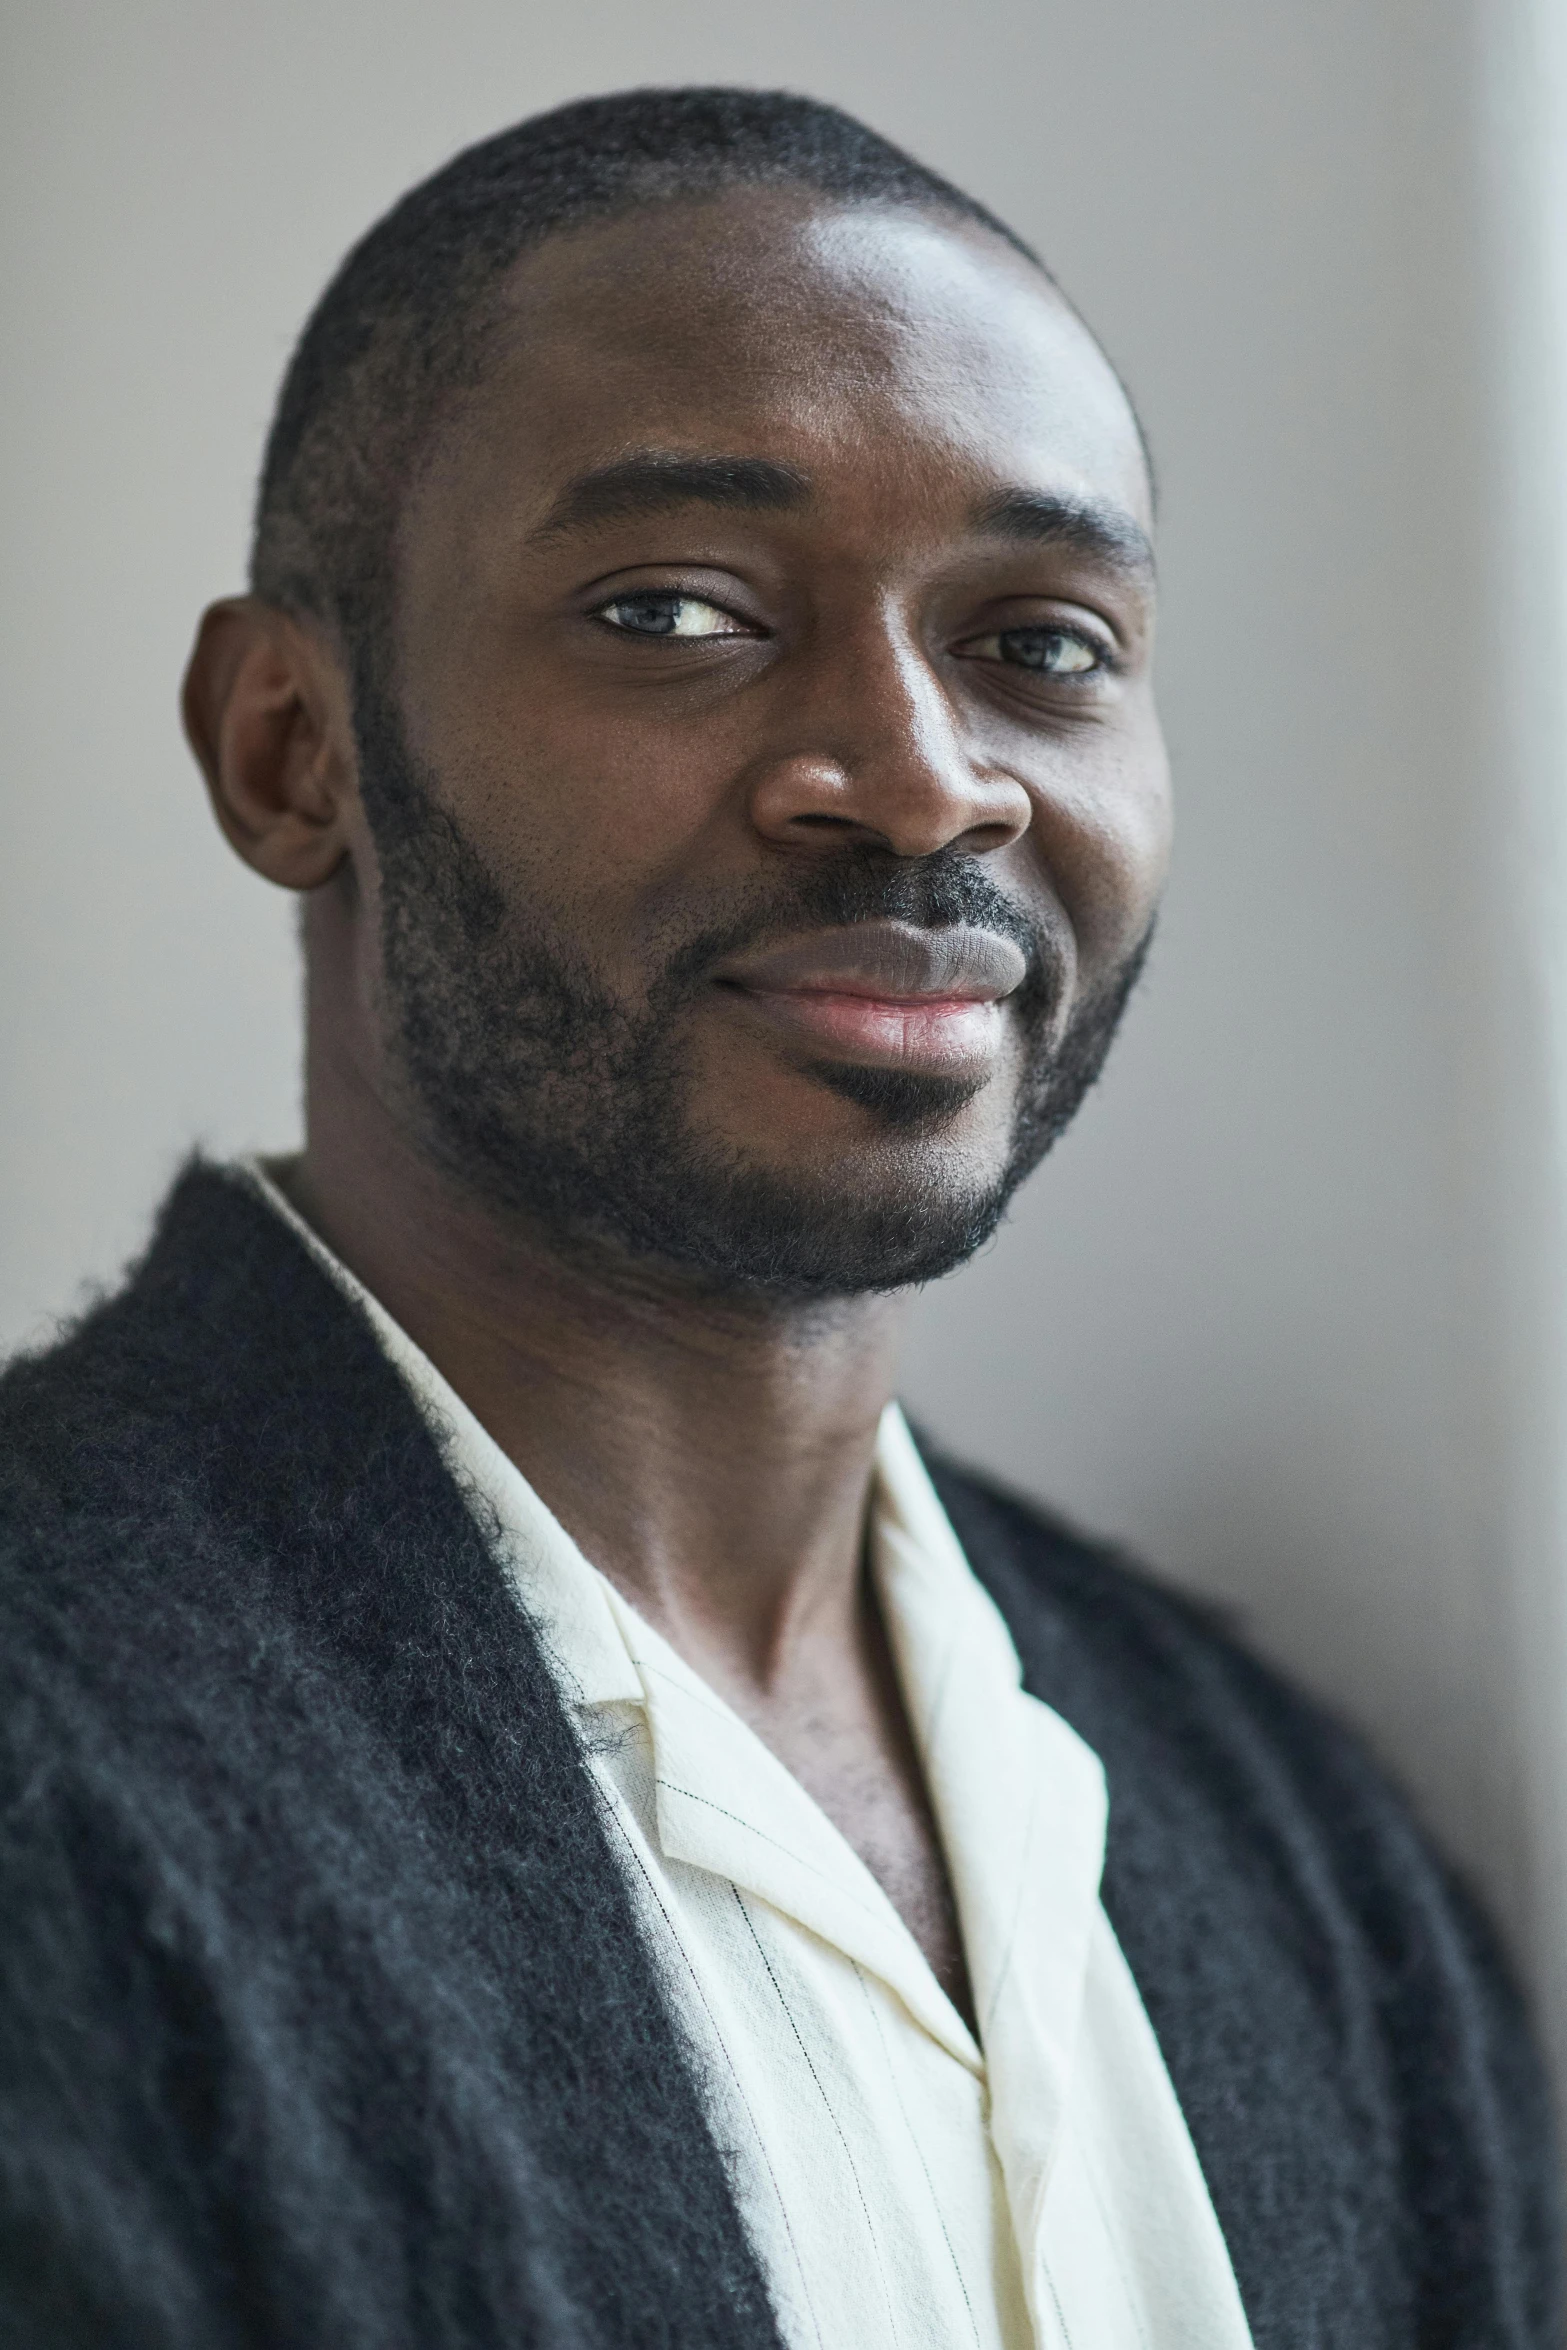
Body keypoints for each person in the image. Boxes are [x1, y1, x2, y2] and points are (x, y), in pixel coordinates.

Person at [0, 86, 1555, 2350]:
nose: (926, 775)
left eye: (1042, 640)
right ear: (289, 747)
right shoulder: (53, 1776)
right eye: (677, 610)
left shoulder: (1305, 1853)